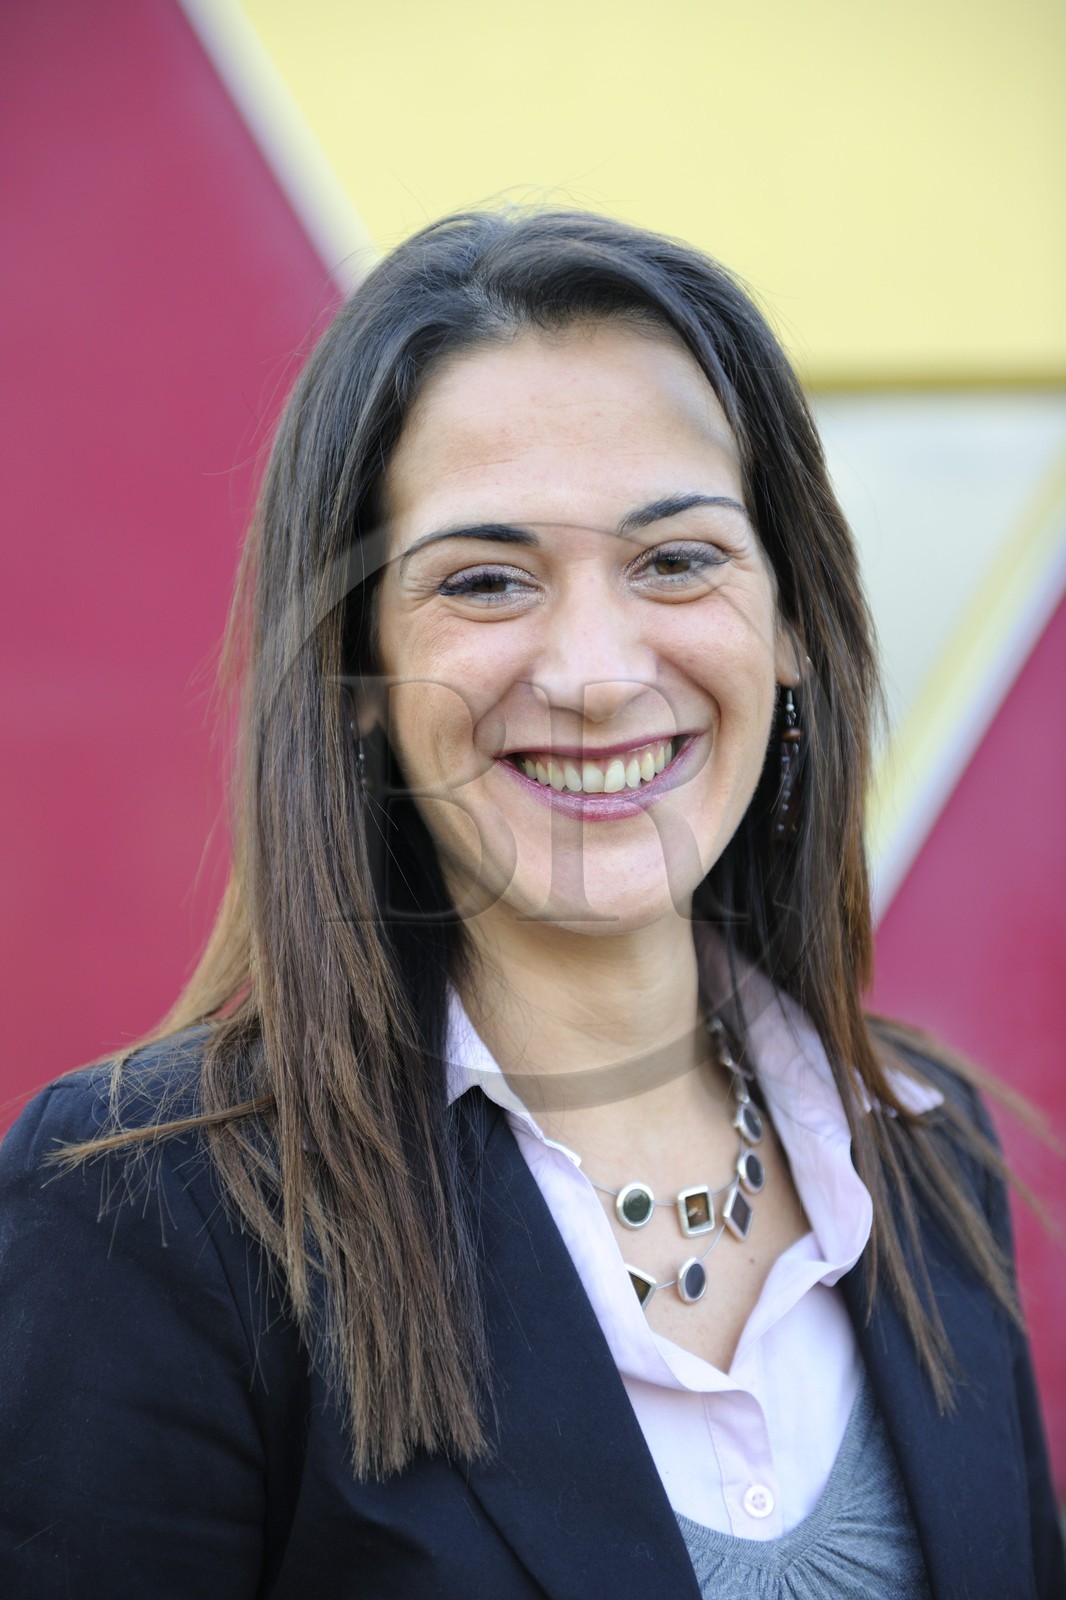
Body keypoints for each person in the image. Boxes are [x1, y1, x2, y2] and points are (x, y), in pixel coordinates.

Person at [0, 209, 1061, 1600]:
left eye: (675, 559)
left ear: (793, 623)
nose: (595, 674)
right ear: (362, 680)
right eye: (487, 581)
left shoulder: (925, 1149)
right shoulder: (146, 1210)